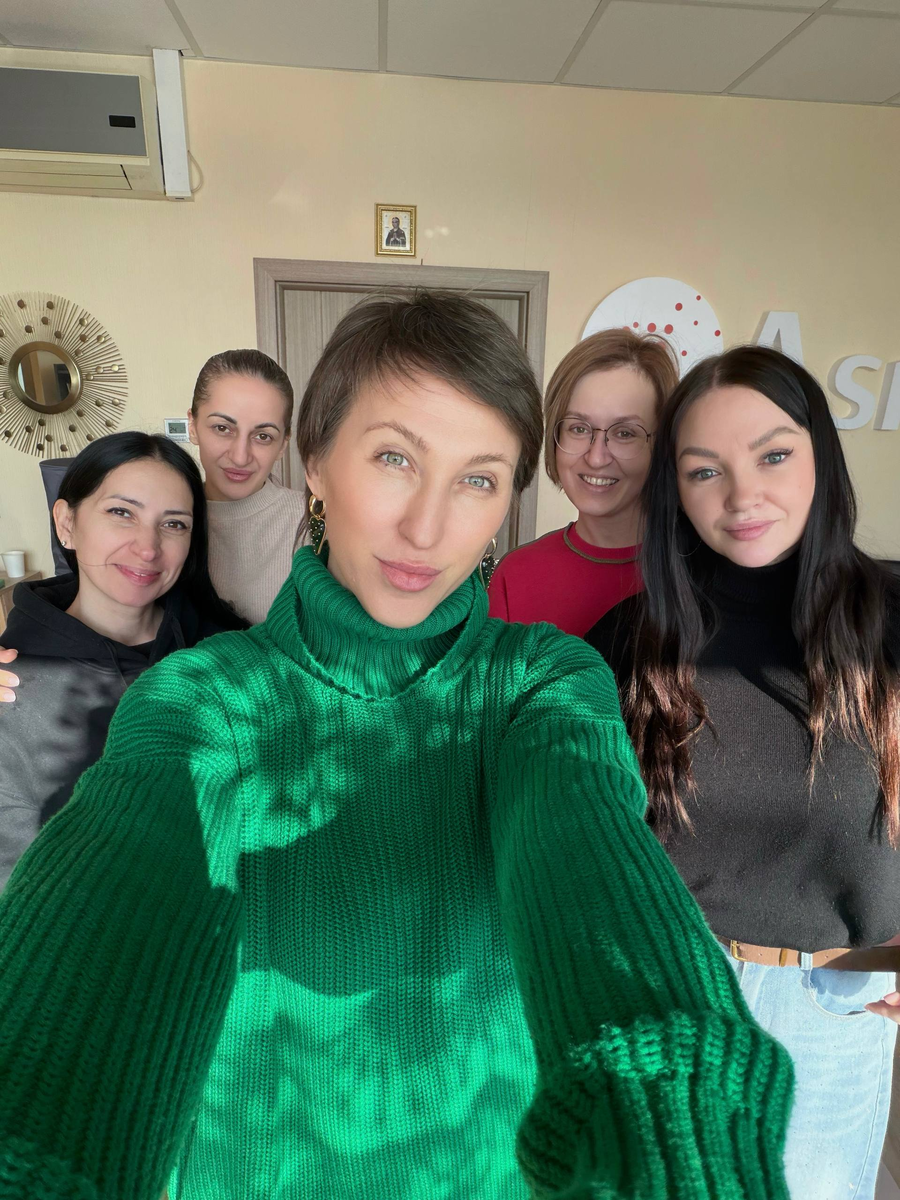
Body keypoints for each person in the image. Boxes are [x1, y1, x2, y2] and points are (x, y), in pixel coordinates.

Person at [0, 294, 793, 1200]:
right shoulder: (202, 696)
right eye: (394, 459)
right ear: (316, 463)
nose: (428, 527)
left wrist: (680, 1120)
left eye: (478, 480)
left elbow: (589, 856)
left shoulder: (541, 682)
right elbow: (113, 905)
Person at [587, 344, 900, 1200]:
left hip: (836, 1005)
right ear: (676, 491)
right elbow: (589, 843)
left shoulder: (890, 622)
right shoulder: (631, 642)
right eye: (704, 471)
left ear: (820, 457)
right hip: (666, 988)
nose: (741, 495)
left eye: (773, 455)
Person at [0, 432, 246, 890]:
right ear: (66, 523)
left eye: (174, 524)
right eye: (121, 513)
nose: (148, 548)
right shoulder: (12, 685)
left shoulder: (228, 656)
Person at [488, 328, 677, 635]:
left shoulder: (696, 574)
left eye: (625, 433)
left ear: (661, 445)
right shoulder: (516, 575)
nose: (596, 457)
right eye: (578, 428)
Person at [188, 348, 306, 624]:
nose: (240, 457)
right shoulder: (165, 520)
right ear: (192, 426)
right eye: (222, 428)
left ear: (283, 445)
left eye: (263, 436)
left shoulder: (314, 524)